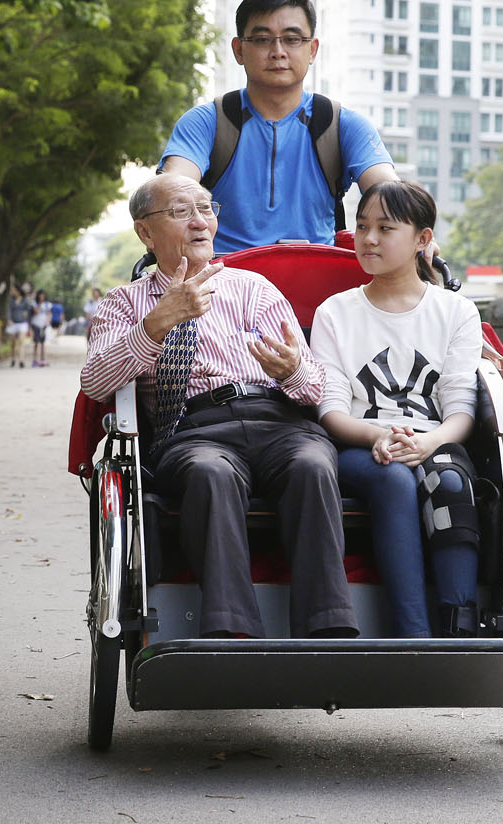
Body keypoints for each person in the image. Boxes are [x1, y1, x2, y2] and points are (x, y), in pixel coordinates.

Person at [81, 173, 358, 640]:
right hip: (194, 429)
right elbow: (95, 382)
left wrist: (291, 370)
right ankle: (231, 633)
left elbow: (315, 392)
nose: (199, 222)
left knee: (312, 463)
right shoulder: (125, 303)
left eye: (206, 209)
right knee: (211, 473)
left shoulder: (254, 289)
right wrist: (156, 323)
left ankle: (326, 629)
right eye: (181, 211)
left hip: (279, 420)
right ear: (145, 232)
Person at [308, 180, 482, 638]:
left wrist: (431, 440)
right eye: (363, 226)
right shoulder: (334, 313)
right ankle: (413, 632)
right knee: (391, 477)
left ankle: (459, 622)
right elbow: (330, 410)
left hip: (436, 438)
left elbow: (461, 408)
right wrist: (377, 437)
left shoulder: (456, 311)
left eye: (386, 228)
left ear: (423, 239)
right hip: (358, 444)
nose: (368, 239)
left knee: (446, 478)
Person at [159, 0, 399, 253]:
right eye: (262, 39)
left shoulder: (341, 124)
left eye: (292, 39)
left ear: (313, 50)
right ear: (239, 50)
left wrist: (412, 229)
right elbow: (174, 186)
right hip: (222, 281)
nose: (278, 51)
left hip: (318, 282)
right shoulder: (207, 122)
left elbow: (388, 190)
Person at [5, 282, 32, 367]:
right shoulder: (11, 301)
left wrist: (28, 320)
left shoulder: (25, 301)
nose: (13, 292)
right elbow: (9, 311)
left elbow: (29, 311)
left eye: (13, 290)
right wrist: (9, 319)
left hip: (22, 323)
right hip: (13, 323)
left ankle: (21, 360)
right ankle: (13, 358)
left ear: (18, 291)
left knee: (21, 341)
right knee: (13, 342)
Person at [29, 288, 52, 366]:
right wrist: (39, 303)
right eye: (40, 295)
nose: (42, 297)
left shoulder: (48, 304)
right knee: (36, 343)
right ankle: (34, 360)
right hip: (36, 324)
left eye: (43, 295)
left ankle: (43, 360)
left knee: (43, 343)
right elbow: (36, 311)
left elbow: (49, 314)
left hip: (44, 325)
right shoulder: (34, 303)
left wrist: (48, 322)